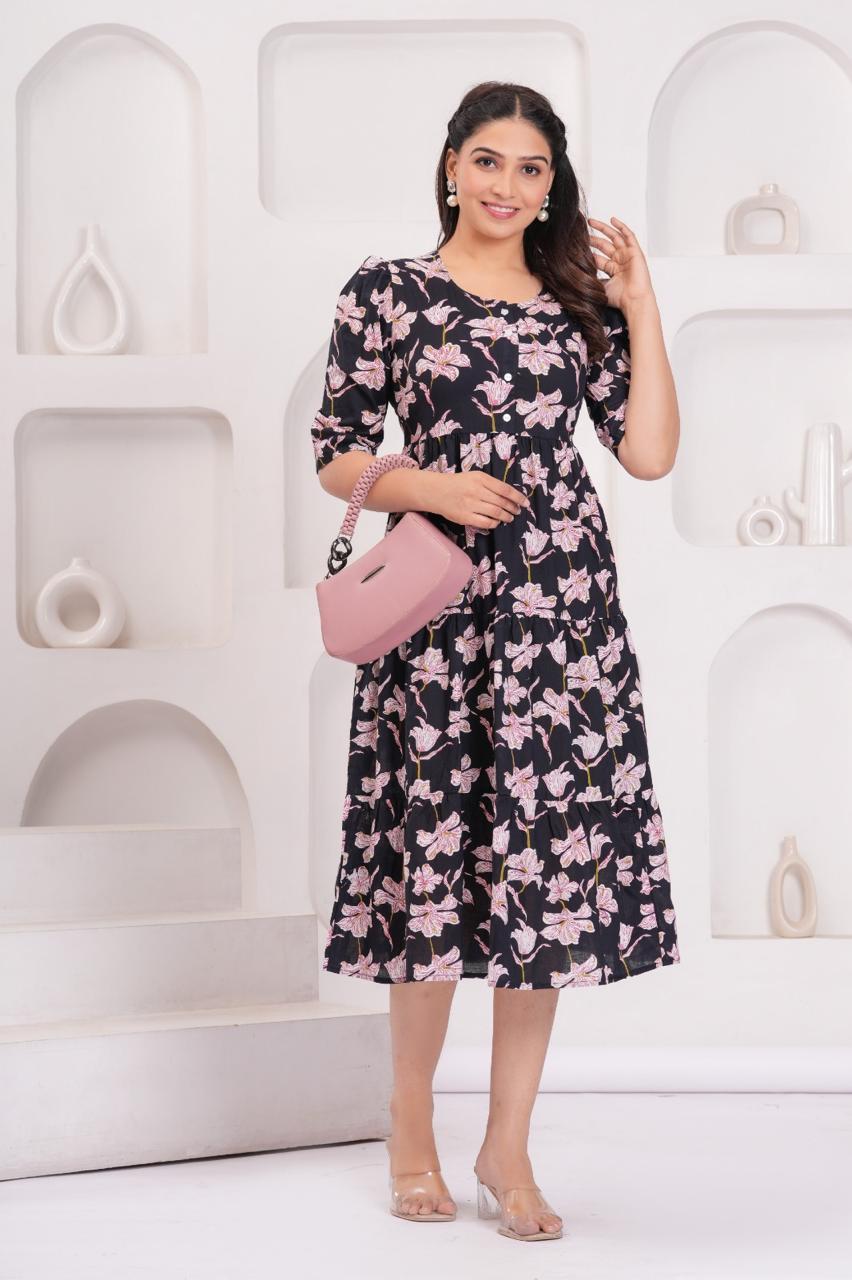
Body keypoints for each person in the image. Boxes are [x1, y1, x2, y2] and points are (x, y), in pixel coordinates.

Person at [311, 81, 681, 1242]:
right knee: (431, 864)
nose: (506, 186)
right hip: (437, 613)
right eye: (488, 160)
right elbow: (337, 454)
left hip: (562, 616)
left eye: (531, 169)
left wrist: (643, 306)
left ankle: (507, 1145)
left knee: (543, 876)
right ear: (451, 166)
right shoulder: (387, 291)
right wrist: (431, 485)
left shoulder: (578, 304)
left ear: (551, 187)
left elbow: (649, 454)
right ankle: (411, 1123)